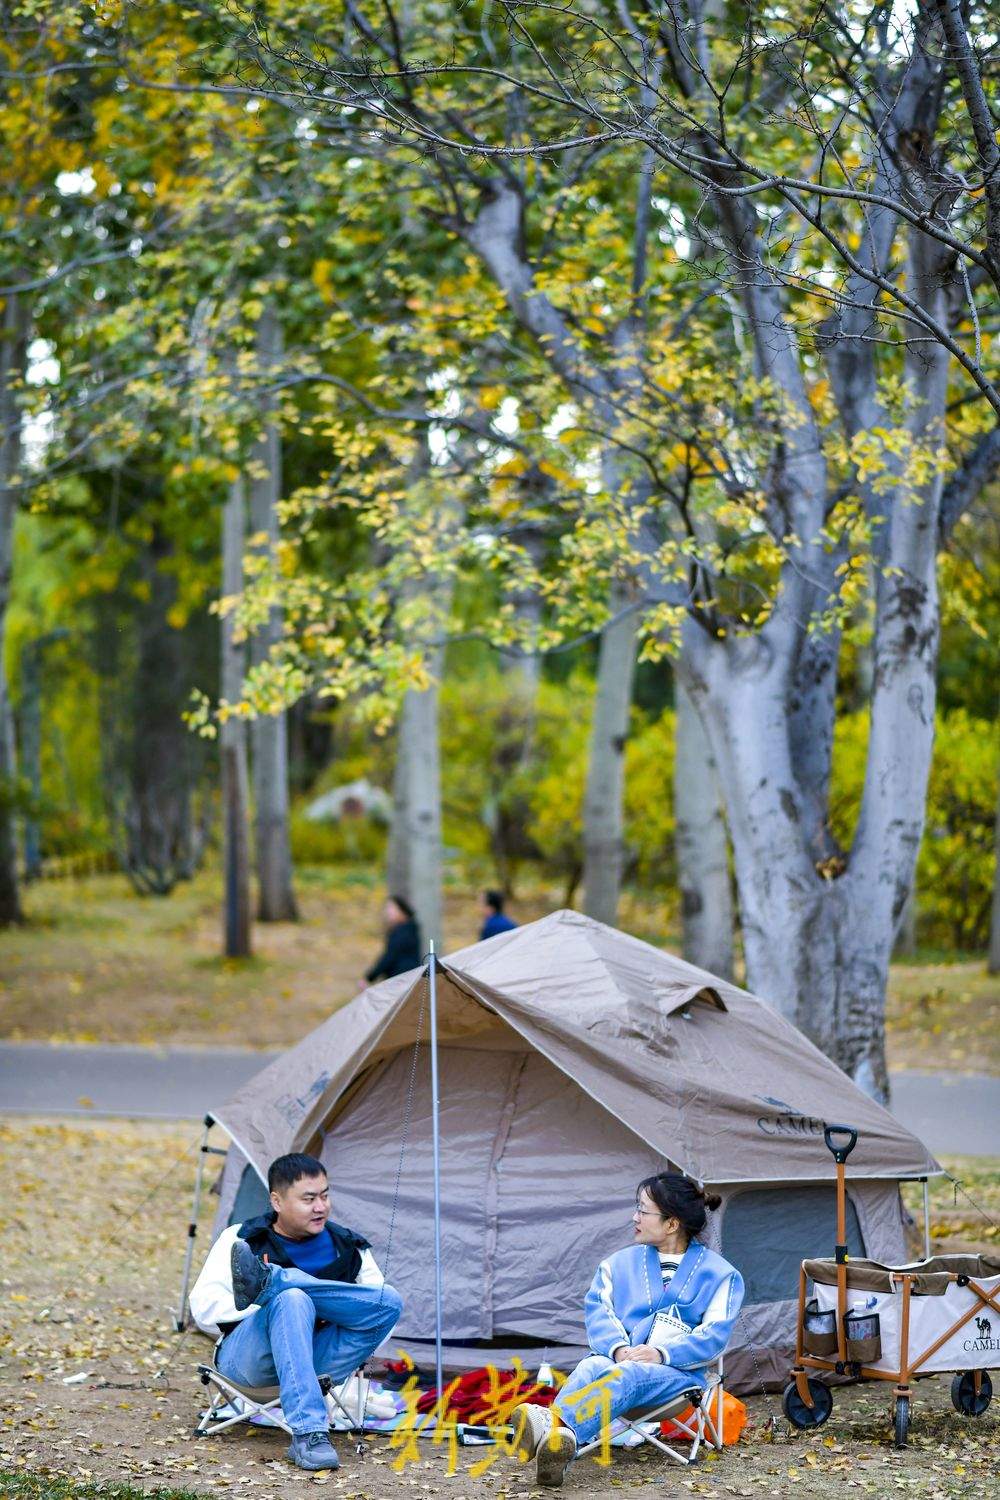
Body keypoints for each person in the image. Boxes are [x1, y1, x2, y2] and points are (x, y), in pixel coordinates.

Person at [509, 1174, 744, 1487]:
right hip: (621, 1363)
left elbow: (714, 1336)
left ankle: (550, 1428)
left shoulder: (721, 1275)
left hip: (678, 1378)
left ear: (672, 1223)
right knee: (593, 1364)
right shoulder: (616, 1264)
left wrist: (660, 1354)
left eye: (643, 1211)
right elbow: (599, 1313)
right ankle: (558, 1449)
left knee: (630, 1374)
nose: (635, 1217)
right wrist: (619, 1349)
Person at [189, 1152, 402, 1473]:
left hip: (318, 1362)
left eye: (325, 1196)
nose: (321, 1207)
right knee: (291, 1301)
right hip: (251, 1363)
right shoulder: (242, 1239)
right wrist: (276, 1314)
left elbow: (378, 1319)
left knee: (390, 1301)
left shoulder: (349, 1247)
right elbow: (203, 1309)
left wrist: (327, 1314)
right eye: (309, 1199)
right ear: (277, 1201)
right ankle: (308, 1433)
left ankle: (272, 1281)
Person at [363, 894, 422, 985]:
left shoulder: (404, 931)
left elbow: (390, 956)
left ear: (402, 910)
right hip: (405, 979)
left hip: (402, 980)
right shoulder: (407, 929)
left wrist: (369, 977)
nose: (388, 912)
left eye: (391, 908)